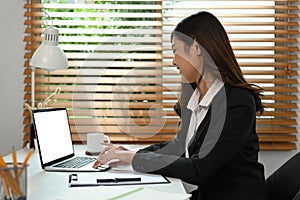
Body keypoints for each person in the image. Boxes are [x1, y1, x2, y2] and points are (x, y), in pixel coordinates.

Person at [93, 11, 266, 200]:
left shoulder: (237, 102)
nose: (173, 61)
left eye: (176, 50)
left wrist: (135, 159)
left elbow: (200, 168)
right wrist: (132, 154)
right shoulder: (197, 97)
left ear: (197, 47)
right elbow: (179, 146)